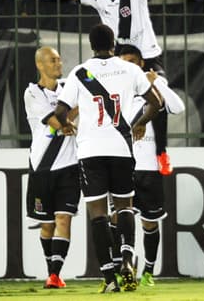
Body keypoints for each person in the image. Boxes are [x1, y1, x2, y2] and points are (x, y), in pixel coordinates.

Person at [2, 0, 174, 172]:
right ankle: (117, 147)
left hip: (147, 55)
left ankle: (161, 153)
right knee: (112, 101)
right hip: (120, 56)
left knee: (157, 97)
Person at [54, 24, 161, 293]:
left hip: (90, 151)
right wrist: (140, 123)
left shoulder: (80, 73)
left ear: (91, 45)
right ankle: (127, 260)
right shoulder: (130, 69)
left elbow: (60, 111)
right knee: (124, 207)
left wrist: (66, 125)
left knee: (98, 214)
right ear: (113, 44)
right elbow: (155, 102)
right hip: (121, 149)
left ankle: (110, 277)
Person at [118, 44, 184, 287]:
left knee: (149, 222)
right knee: (120, 219)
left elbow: (178, 107)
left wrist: (158, 84)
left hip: (149, 168)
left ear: (141, 64)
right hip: (124, 166)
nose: (130, 66)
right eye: (125, 62)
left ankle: (148, 270)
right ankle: (123, 266)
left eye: (133, 61)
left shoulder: (153, 91)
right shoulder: (118, 92)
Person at [24, 46, 80, 289]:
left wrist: (70, 117)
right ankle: (51, 270)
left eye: (59, 59)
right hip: (42, 167)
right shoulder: (32, 93)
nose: (59, 64)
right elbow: (56, 122)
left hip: (69, 166)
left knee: (63, 219)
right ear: (40, 65)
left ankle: (55, 275)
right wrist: (73, 115)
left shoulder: (70, 86)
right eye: (53, 60)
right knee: (47, 225)